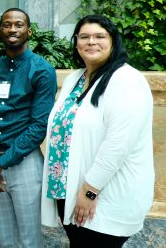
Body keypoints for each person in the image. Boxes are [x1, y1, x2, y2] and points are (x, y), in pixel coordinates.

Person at [41, 14, 154, 247]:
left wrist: (89, 191)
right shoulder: (75, 78)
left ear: (113, 41)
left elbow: (118, 144)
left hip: (103, 196)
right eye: (84, 37)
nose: (91, 41)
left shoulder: (127, 80)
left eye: (99, 36)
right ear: (76, 43)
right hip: (69, 192)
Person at [0, 8, 57, 248]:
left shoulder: (42, 70)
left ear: (28, 31)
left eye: (19, 25)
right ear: (0, 30)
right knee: (6, 239)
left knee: (29, 241)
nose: (12, 29)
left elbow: (39, 126)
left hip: (25, 164)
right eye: (7, 24)